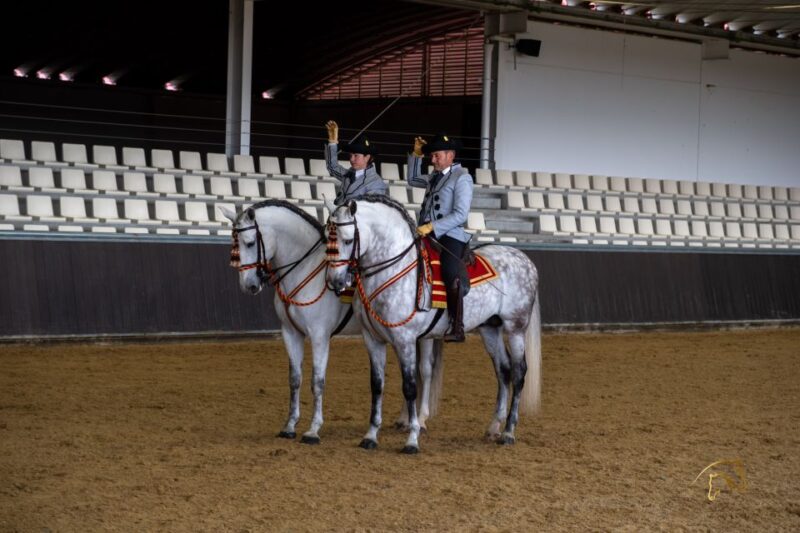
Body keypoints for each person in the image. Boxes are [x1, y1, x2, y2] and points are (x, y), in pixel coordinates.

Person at [406, 133, 473, 342]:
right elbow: (412, 179)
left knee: (450, 272)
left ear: (450, 155)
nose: (432, 160)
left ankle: (457, 325)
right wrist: (416, 155)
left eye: (436, 156)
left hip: (450, 234)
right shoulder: (434, 176)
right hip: (425, 231)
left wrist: (432, 226)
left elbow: (461, 214)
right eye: (432, 156)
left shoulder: (462, 177)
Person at [324, 120, 387, 205]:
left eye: (356, 156)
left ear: (367, 157)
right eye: (350, 155)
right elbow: (332, 167)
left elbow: (371, 210)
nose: (351, 159)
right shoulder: (349, 174)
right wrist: (332, 143)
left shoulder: (376, 183)